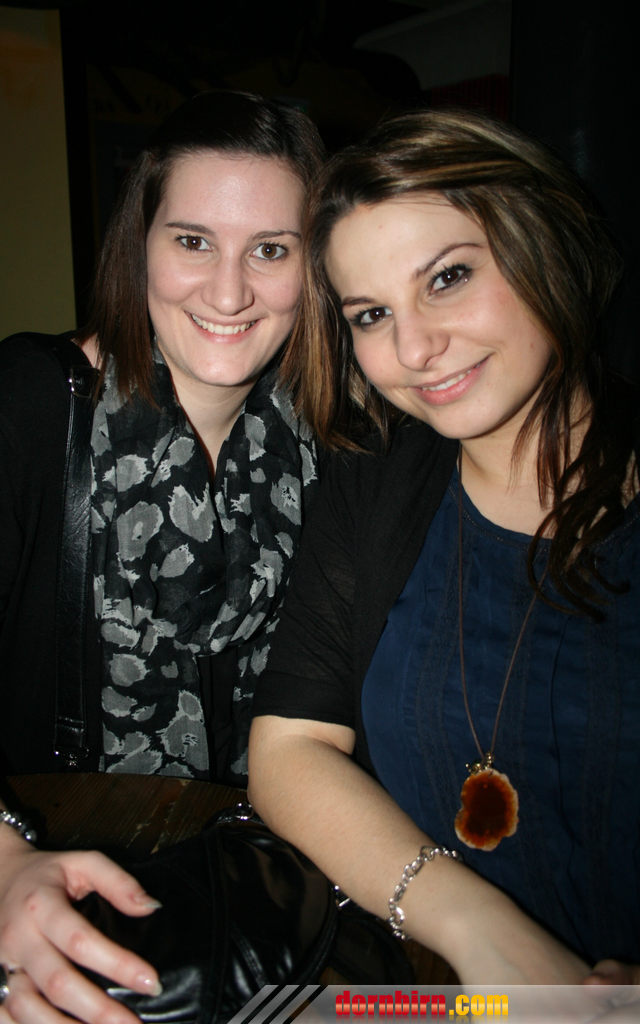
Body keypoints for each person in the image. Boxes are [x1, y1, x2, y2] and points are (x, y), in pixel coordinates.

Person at [249, 109, 640, 985]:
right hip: (426, 994)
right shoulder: (373, 480)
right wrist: (479, 933)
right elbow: (287, 752)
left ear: (543, 245)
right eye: (371, 313)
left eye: (448, 277)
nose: (414, 347)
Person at [0, 90, 324, 1023]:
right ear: (139, 244)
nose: (228, 293)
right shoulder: (26, 405)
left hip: (268, 898)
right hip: (57, 881)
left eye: (271, 250)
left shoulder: (333, 434)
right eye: (193, 240)